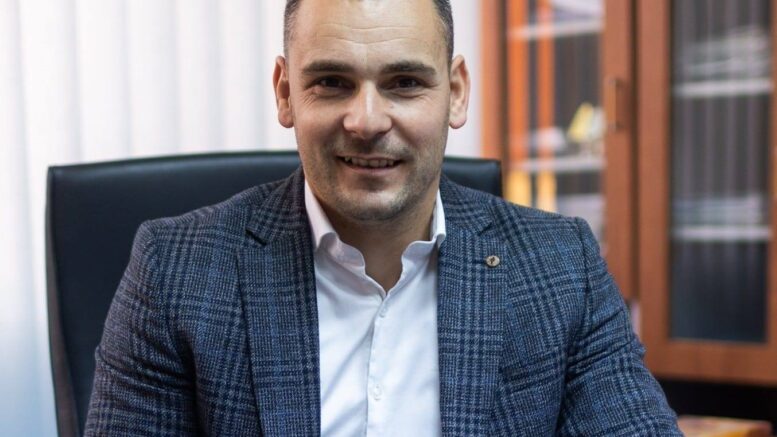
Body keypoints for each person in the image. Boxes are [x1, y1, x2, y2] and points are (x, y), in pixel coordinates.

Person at [85, 0, 681, 435]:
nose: (367, 120)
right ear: (286, 92)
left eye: (404, 82)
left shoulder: (560, 266)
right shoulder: (176, 272)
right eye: (332, 82)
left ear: (456, 92)